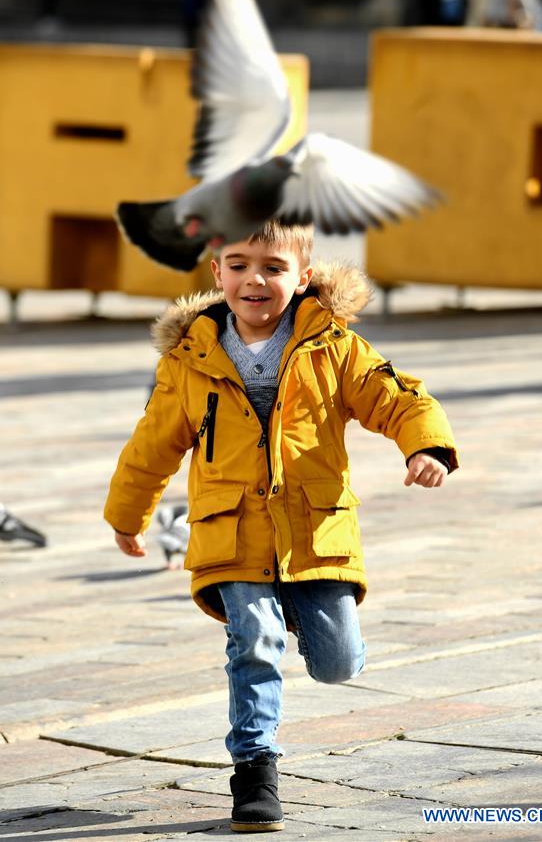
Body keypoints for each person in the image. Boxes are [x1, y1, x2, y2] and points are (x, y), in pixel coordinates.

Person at [104, 221, 459, 833]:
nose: (255, 280)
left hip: (314, 534)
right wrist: (127, 517)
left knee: (338, 663)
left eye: (272, 266)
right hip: (232, 533)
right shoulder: (190, 361)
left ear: (303, 277)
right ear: (216, 274)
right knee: (255, 641)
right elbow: (151, 446)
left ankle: (299, 609)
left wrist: (424, 447)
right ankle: (254, 774)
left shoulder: (335, 346)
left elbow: (398, 396)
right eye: (238, 265)